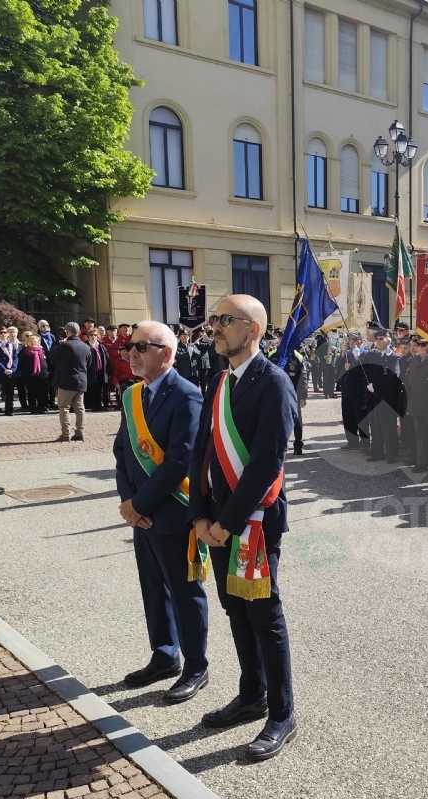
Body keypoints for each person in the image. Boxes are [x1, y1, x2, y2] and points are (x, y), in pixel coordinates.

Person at [190, 293, 299, 760]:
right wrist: (200, 515)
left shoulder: (273, 383)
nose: (214, 326)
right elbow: (202, 453)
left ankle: (281, 713)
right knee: (234, 609)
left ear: (252, 329)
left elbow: (265, 462)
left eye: (225, 320)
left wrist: (227, 523)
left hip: (252, 522)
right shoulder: (218, 382)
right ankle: (250, 694)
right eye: (214, 319)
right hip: (216, 521)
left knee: (264, 616)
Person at [113, 321, 210, 704]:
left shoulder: (187, 396)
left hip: (172, 511)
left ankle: (195, 666)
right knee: (153, 588)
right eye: (130, 347)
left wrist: (140, 504)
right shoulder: (133, 395)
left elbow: (178, 462)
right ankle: (164, 655)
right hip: (141, 514)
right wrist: (129, 504)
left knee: (185, 593)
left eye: (141, 347)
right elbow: (122, 452)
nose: (132, 353)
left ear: (165, 353)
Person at [401, 335, 428, 473]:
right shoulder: (414, 361)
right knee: (420, 436)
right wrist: (409, 405)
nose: (419, 348)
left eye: (423, 345)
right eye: (418, 345)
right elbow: (409, 385)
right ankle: (422, 462)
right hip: (417, 405)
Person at [362, 331, 402, 464]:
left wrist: (376, 385)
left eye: (381, 339)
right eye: (376, 339)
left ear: (388, 341)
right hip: (372, 397)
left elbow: (394, 376)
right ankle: (377, 452)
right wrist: (356, 355)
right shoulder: (372, 354)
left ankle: (391, 454)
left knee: (388, 428)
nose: (378, 341)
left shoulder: (394, 357)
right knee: (375, 426)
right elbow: (362, 366)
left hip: (386, 398)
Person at [50, 322, 93, 442]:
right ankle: (80, 432)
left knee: (64, 407)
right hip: (81, 380)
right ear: (79, 332)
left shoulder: (65, 345)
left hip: (66, 381)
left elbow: (52, 355)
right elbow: (89, 363)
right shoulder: (86, 346)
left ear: (67, 332)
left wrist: (60, 344)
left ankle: (66, 434)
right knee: (79, 408)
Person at [265, 341, 309, 456]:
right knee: (275, 420)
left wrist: (303, 396)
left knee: (296, 420)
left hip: (293, 394)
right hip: (275, 394)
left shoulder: (298, 357)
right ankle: (277, 445)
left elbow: (303, 378)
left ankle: (298, 445)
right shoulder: (271, 355)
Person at [0, 327, 20, 417]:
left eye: (5, 332)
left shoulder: (11, 344)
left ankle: (9, 410)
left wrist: (13, 369)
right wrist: (4, 369)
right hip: (0, 372)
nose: (3, 334)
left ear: (8, 334)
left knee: (10, 392)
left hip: (11, 372)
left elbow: (15, 357)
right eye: (1, 332)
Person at [20, 332, 51, 414]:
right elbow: (20, 364)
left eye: (35, 341)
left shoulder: (43, 350)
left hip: (43, 375)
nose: (33, 342)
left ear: (38, 342)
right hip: (29, 375)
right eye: (31, 341)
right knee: (32, 392)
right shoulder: (24, 352)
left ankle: (41, 407)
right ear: (27, 342)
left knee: (42, 392)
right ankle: (32, 408)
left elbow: (48, 361)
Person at [85, 328, 112, 411]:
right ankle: (93, 405)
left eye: (95, 335)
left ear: (98, 336)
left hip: (101, 371)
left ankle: (99, 404)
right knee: (92, 389)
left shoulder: (101, 346)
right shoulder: (86, 346)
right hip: (90, 371)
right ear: (88, 336)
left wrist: (109, 371)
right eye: (91, 335)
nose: (93, 337)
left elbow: (107, 358)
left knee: (100, 388)